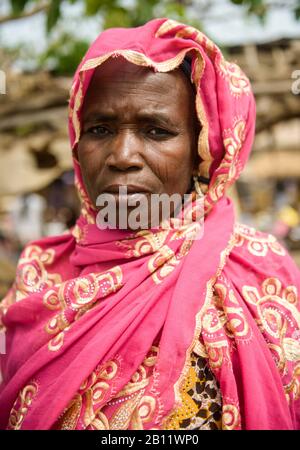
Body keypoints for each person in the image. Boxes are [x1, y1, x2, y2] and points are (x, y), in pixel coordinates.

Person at [0, 18, 299, 430]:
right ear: (76, 140)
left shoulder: (261, 273)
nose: (122, 155)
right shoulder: (40, 279)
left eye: (156, 131)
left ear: (202, 151)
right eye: (100, 129)